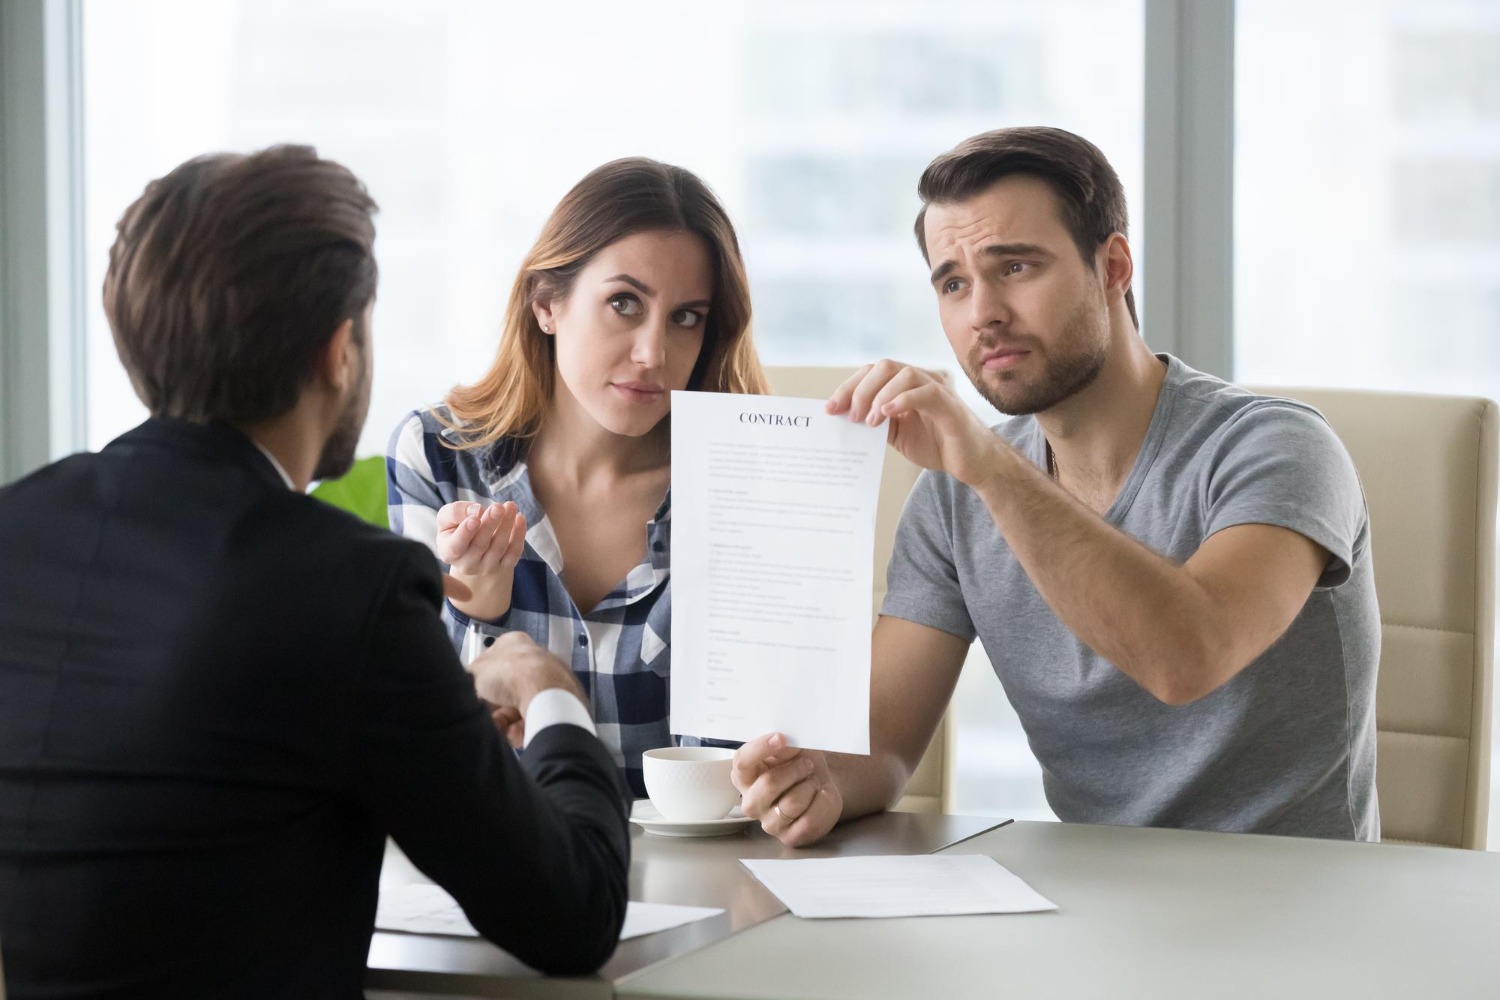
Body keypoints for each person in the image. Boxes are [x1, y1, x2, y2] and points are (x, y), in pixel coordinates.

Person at [0, 146, 631, 998]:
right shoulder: (346, 587)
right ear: (341, 350)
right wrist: (553, 692)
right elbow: (574, 913)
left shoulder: (18, 529)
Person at [732, 126, 1380, 845]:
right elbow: (883, 747)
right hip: (1096, 909)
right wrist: (818, 780)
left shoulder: (1279, 448)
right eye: (953, 282)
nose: (982, 313)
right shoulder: (955, 499)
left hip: (1301, 911)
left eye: (1014, 267)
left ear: (1113, 266)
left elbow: (1185, 656)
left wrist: (986, 465)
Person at [387, 157, 768, 796]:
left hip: (702, 878)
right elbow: (421, 746)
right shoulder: (438, 455)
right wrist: (480, 612)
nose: (654, 354)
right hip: (506, 872)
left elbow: (749, 761)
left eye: (686, 317)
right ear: (546, 304)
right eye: (625, 303)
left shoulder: (746, 483)